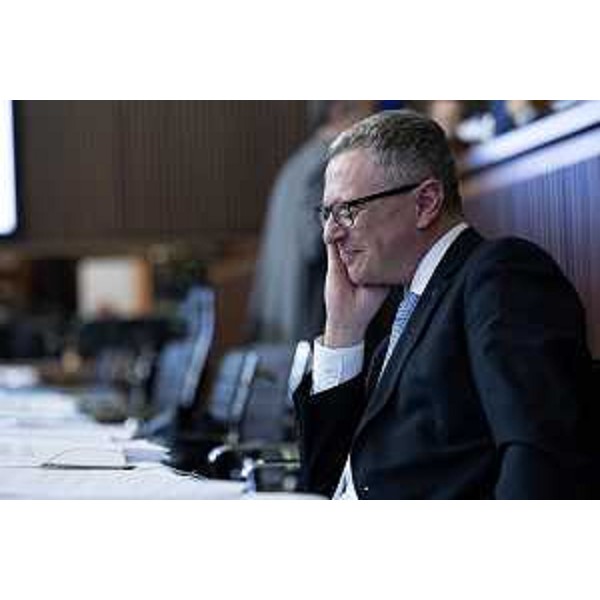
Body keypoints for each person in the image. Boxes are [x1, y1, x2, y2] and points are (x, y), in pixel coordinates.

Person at [293, 109, 597, 499]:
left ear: (426, 202)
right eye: (326, 213)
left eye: (347, 210)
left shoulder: (500, 276)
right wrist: (343, 331)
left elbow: (539, 455)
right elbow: (321, 484)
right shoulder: (398, 322)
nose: (331, 233)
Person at [247, 101, 373, 343]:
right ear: (339, 109)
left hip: (277, 321)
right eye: (367, 110)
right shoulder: (332, 165)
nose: (373, 119)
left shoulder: (296, 163)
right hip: (307, 321)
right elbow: (315, 241)